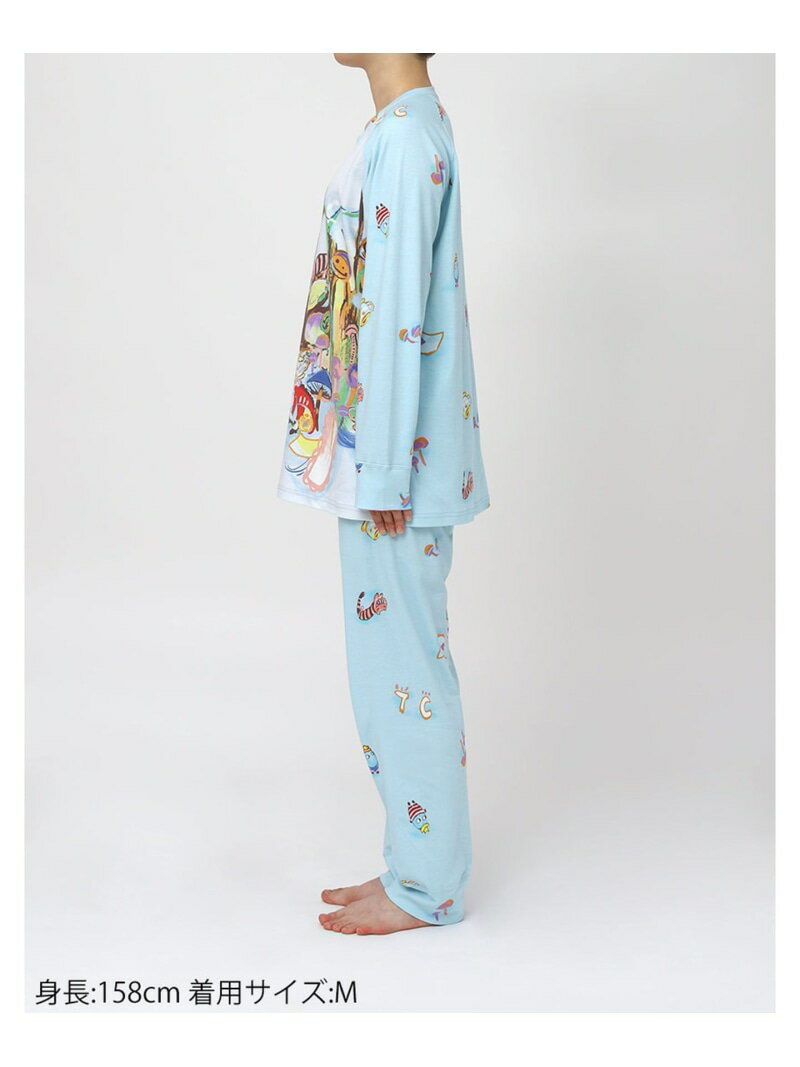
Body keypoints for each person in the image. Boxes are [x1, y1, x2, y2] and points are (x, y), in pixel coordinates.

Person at [277, 53, 491, 934]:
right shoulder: (404, 128)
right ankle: (414, 863)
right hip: (387, 459)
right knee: (392, 671)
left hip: (393, 470)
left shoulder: (405, 138)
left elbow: (397, 309)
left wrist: (388, 471)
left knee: (404, 672)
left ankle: (428, 887)